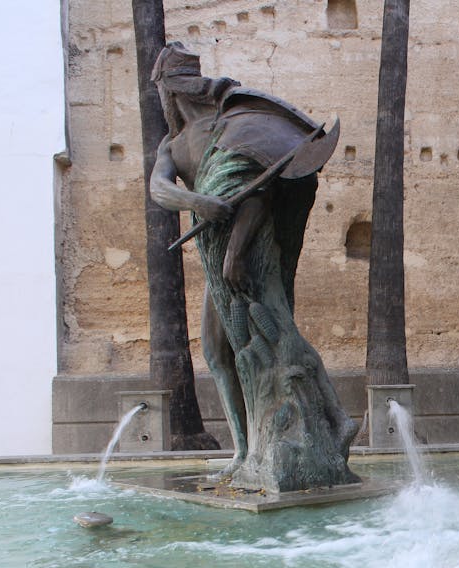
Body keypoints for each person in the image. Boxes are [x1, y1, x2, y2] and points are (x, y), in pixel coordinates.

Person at [148, 42, 357, 491]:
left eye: (163, 89)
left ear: (170, 88)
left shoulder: (233, 124)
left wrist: (237, 253)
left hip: (246, 251)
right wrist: (199, 201)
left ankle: (334, 419)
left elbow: (259, 192)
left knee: (278, 333)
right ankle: (247, 450)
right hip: (214, 246)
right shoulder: (173, 143)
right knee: (217, 351)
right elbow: (159, 190)